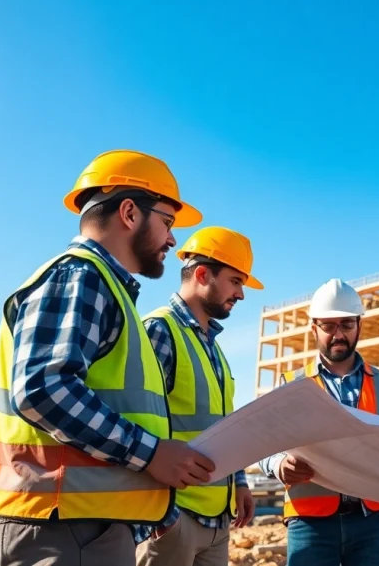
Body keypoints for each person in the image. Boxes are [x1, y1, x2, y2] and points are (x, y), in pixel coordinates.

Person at [0, 150, 216, 566]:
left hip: (78, 521)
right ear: (129, 213)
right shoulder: (81, 276)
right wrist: (152, 454)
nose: (172, 240)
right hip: (61, 523)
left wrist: (148, 506)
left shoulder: (105, 287)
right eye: (167, 222)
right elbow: (42, 388)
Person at [257, 278, 379, 566]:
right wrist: (279, 464)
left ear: (359, 326)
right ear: (314, 328)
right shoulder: (292, 384)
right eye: (328, 326)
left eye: (346, 325)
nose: (337, 334)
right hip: (310, 522)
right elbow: (263, 445)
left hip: (373, 521)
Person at [135, 226, 264, 565]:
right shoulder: (159, 331)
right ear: (204, 274)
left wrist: (240, 482)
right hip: (174, 517)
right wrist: (162, 516)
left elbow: (223, 425)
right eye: (235, 281)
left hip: (217, 520)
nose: (241, 294)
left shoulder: (216, 351)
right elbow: (138, 422)